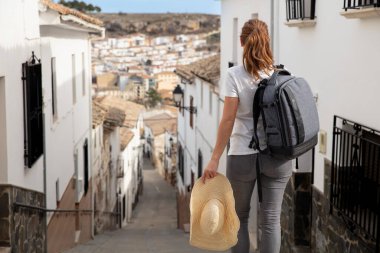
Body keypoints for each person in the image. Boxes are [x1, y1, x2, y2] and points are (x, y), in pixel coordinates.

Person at [201, 19, 292, 253]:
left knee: (239, 217)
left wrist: (214, 158)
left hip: (243, 154)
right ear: (267, 41)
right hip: (278, 156)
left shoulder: (234, 75)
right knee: (271, 220)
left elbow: (228, 120)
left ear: (242, 42)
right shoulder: (280, 75)